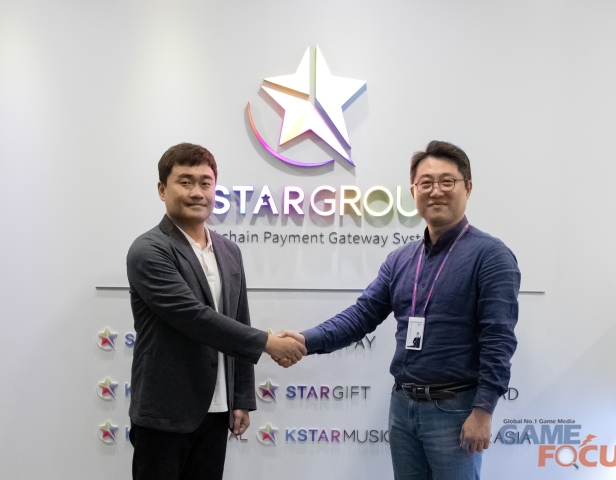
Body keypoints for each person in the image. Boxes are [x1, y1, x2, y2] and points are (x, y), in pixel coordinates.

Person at [275, 141, 520, 480]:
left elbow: (498, 340)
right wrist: (305, 340)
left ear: (468, 187)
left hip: (455, 410)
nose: (436, 191)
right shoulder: (401, 259)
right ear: (414, 191)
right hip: (403, 406)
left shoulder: (491, 256)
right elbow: (361, 316)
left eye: (447, 181)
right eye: (426, 183)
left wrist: (483, 411)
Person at [126, 143, 306, 480]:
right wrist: (268, 342)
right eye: (185, 182)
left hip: (217, 411)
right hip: (165, 414)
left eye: (205, 183)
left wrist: (241, 397)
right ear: (162, 190)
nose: (197, 192)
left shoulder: (228, 250)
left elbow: (238, 318)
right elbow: (194, 317)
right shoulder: (149, 250)